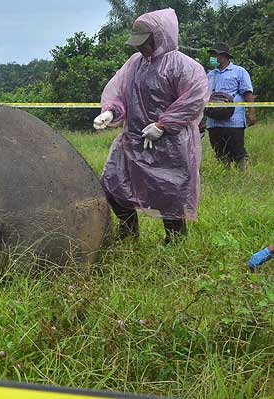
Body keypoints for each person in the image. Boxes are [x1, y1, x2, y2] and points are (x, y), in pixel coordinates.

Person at [93, 9, 209, 244]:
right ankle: (128, 232)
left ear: (161, 36)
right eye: (138, 43)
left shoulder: (184, 66)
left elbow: (194, 99)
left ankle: (175, 241)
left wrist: (163, 125)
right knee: (113, 184)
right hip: (134, 140)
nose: (140, 48)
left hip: (170, 144)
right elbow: (119, 90)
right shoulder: (135, 64)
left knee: (171, 192)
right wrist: (110, 111)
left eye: (145, 43)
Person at [205, 42, 257, 171]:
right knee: (219, 151)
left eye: (214, 55)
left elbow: (247, 93)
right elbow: (204, 97)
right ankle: (226, 176)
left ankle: (243, 175)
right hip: (214, 121)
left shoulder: (239, 72)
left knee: (237, 150)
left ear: (224, 56)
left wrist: (251, 113)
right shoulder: (210, 75)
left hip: (233, 121)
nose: (212, 57)